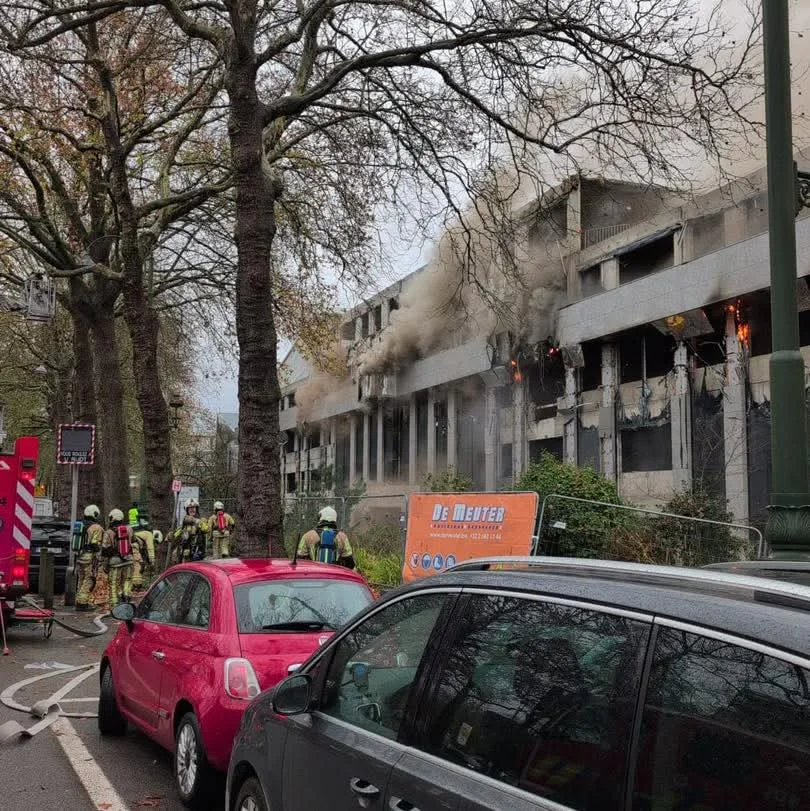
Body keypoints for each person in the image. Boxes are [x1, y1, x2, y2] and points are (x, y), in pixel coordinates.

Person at [102, 508, 134, 605]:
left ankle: (115, 604)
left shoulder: (108, 532)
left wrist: (105, 563)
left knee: (114, 583)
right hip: (128, 560)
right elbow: (133, 541)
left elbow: (105, 549)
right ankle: (127, 598)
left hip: (115, 562)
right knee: (127, 580)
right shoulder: (129, 529)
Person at [75, 504, 104, 612]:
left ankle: (79, 600)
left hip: (79, 556)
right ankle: (82, 603)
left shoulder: (80, 525)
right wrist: (99, 554)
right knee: (89, 579)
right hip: (89, 557)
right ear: (94, 514)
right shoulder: (96, 527)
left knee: (81, 579)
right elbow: (94, 543)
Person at [132, 516, 155, 591]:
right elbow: (150, 548)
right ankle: (137, 586)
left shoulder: (138, 532)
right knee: (138, 566)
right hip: (134, 549)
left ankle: (132, 585)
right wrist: (152, 561)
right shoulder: (148, 534)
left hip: (129, 550)